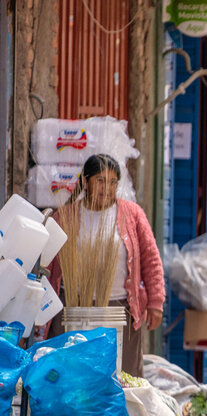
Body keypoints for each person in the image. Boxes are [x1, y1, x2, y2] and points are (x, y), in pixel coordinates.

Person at [48, 154, 165, 377]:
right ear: (86, 181)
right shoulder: (65, 216)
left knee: (122, 378)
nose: (107, 188)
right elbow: (48, 264)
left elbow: (151, 260)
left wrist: (155, 302)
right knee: (74, 377)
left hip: (120, 309)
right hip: (73, 308)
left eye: (113, 182)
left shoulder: (132, 214)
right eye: (100, 181)